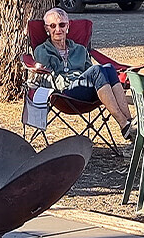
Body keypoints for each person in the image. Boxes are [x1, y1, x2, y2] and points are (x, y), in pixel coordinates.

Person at [30, 7, 136, 139]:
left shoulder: (79, 49)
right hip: (64, 93)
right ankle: (123, 123)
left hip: (85, 90)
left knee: (108, 68)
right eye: (53, 26)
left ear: (68, 27)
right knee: (98, 70)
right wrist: (67, 82)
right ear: (47, 29)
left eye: (62, 25)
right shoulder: (42, 51)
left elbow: (90, 71)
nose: (58, 29)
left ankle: (130, 123)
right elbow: (45, 76)